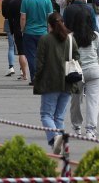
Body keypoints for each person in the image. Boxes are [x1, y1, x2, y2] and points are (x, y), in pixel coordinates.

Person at [33, 12, 79, 155]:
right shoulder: (70, 39)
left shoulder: (45, 39)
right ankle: (60, 143)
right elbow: (77, 57)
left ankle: (55, 139)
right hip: (68, 81)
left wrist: (37, 79)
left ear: (49, 25)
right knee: (59, 116)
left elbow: (39, 63)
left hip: (49, 81)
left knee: (46, 114)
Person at [69, 8, 99, 139]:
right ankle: (90, 129)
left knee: (75, 100)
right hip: (94, 71)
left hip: (76, 72)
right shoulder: (95, 35)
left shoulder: (71, 37)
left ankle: (76, 126)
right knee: (93, 101)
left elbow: (67, 56)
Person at [21, 0, 54, 83]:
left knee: (31, 56)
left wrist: (23, 29)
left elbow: (23, 17)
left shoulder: (26, 0)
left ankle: (34, 77)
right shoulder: (47, 1)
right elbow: (50, 18)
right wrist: (50, 31)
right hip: (43, 32)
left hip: (29, 32)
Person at [4, 0, 29, 81]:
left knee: (21, 52)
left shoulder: (12, 2)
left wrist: (12, 30)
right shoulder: (29, 1)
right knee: (31, 52)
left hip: (17, 28)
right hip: (29, 28)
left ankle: (24, 74)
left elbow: (9, 18)